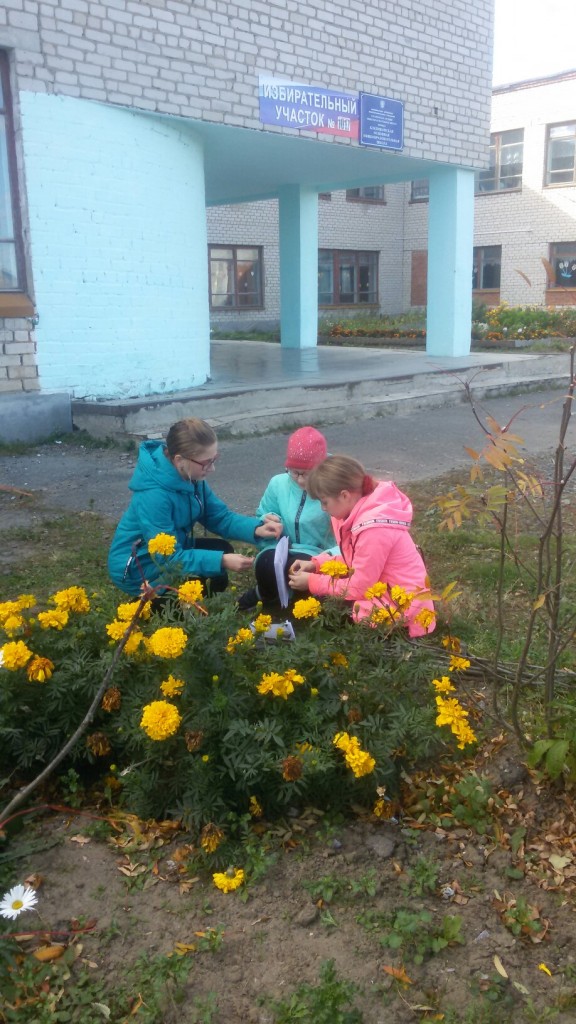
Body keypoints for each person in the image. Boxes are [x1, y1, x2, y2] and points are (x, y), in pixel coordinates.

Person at [108, 417, 282, 596]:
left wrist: (256, 529)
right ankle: (154, 602)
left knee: (220, 552)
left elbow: (219, 517)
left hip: (171, 552)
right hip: (139, 571)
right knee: (214, 568)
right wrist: (221, 561)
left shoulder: (191, 477)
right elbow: (168, 559)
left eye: (214, 459)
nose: (212, 468)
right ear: (179, 460)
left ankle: (197, 601)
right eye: (206, 462)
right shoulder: (153, 496)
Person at [288, 454, 435, 637]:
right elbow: (356, 561)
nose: (323, 508)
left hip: (403, 610)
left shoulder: (373, 529)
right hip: (386, 594)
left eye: (324, 501)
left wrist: (313, 582)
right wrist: (316, 565)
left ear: (344, 495)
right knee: (325, 601)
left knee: (328, 609)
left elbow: (360, 586)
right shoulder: (359, 513)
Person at [237, 427, 336, 610]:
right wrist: (269, 519)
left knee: (297, 571)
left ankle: (305, 605)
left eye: (307, 474)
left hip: (318, 552)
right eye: (294, 472)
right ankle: (267, 594)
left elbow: (347, 536)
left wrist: (330, 556)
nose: (300, 480)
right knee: (265, 564)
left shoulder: (333, 487)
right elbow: (263, 513)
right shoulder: (278, 483)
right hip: (281, 546)